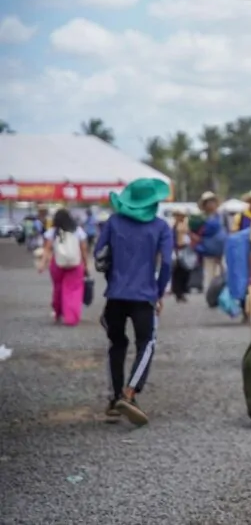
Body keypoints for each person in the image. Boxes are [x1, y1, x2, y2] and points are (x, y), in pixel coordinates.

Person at [95, 178, 173, 427]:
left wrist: (113, 280)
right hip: (144, 296)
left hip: (115, 296)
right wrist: (158, 293)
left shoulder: (113, 222)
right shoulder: (161, 227)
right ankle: (129, 394)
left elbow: (99, 256)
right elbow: (168, 263)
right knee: (146, 343)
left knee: (116, 344)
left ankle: (114, 399)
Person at [38, 208, 89, 326]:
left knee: (58, 289)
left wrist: (42, 263)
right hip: (75, 264)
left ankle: (58, 312)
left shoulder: (53, 231)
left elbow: (47, 249)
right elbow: (83, 249)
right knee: (73, 291)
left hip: (57, 264)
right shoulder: (78, 231)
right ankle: (71, 317)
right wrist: (86, 264)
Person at [170, 207, 193, 302]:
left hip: (185, 249)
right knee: (178, 272)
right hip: (178, 250)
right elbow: (173, 239)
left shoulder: (184, 225)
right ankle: (178, 292)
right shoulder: (174, 226)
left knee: (184, 271)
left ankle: (182, 291)